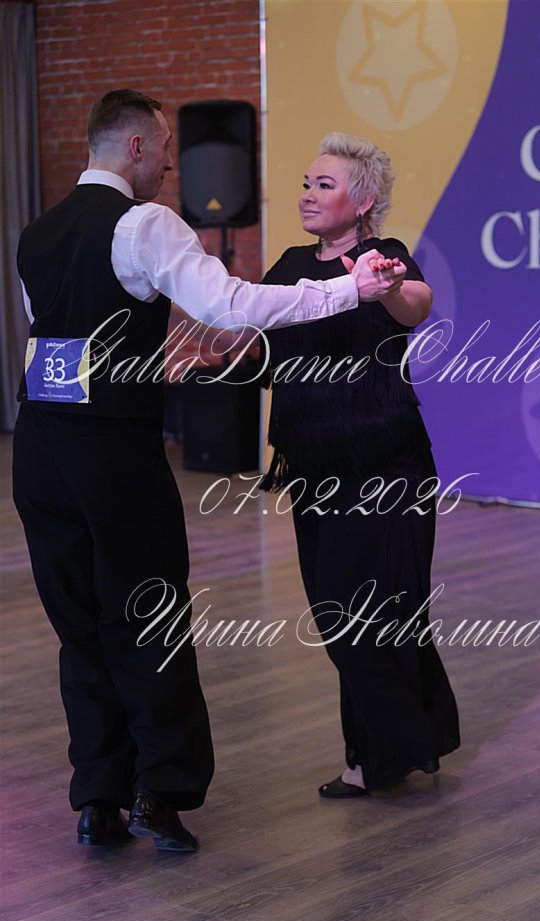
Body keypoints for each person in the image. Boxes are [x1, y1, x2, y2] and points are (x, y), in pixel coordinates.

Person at [13, 91, 405, 851]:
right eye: (163, 148)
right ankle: (160, 791)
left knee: (79, 624)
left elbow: (58, 337)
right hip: (112, 453)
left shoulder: (37, 232)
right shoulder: (145, 224)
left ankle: (98, 797)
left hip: (39, 452)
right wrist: (347, 289)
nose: (169, 164)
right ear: (135, 147)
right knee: (148, 614)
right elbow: (229, 304)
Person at [261, 132, 460, 797]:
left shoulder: (385, 258)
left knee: (370, 613)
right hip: (312, 466)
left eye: (325, 185)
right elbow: (256, 328)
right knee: (338, 613)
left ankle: (379, 757)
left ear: (364, 200)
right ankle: (413, 737)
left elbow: (415, 304)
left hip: (385, 468)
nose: (307, 195)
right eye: (306, 183)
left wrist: (385, 289)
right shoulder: (290, 265)